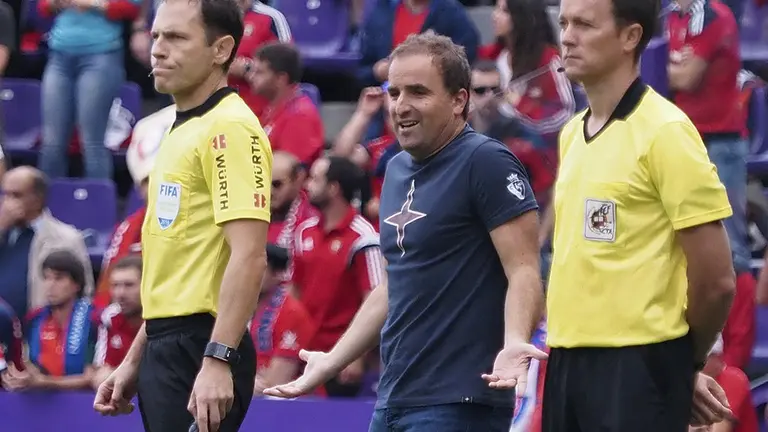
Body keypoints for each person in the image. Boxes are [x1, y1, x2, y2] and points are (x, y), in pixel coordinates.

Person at [265, 31, 544, 432]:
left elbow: (523, 269)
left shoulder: (486, 161)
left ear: (459, 100)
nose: (401, 106)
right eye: (394, 93)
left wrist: (515, 337)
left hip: (458, 401)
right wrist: (333, 359)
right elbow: (393, 282)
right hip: (394, 398)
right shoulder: (396, 168)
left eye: (418, 92)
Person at [544, 0, 737, 430]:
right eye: (564, 23)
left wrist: (685, 363)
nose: (568, 36)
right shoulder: (571, 133)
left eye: (585, 25)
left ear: (631, 37)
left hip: (639, 366)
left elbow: (717, 280)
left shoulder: (666, 131)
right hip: (566, 363)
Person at [92, 0, 273, 431]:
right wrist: (137, 358)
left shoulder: (230, 127)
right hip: (167, 344)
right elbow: (173, 273)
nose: (157, 49)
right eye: (156, 36)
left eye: (175, 37)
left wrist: (217, 358)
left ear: (221, 49)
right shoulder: (181, 125)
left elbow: (249, 257)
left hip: (202, 347)